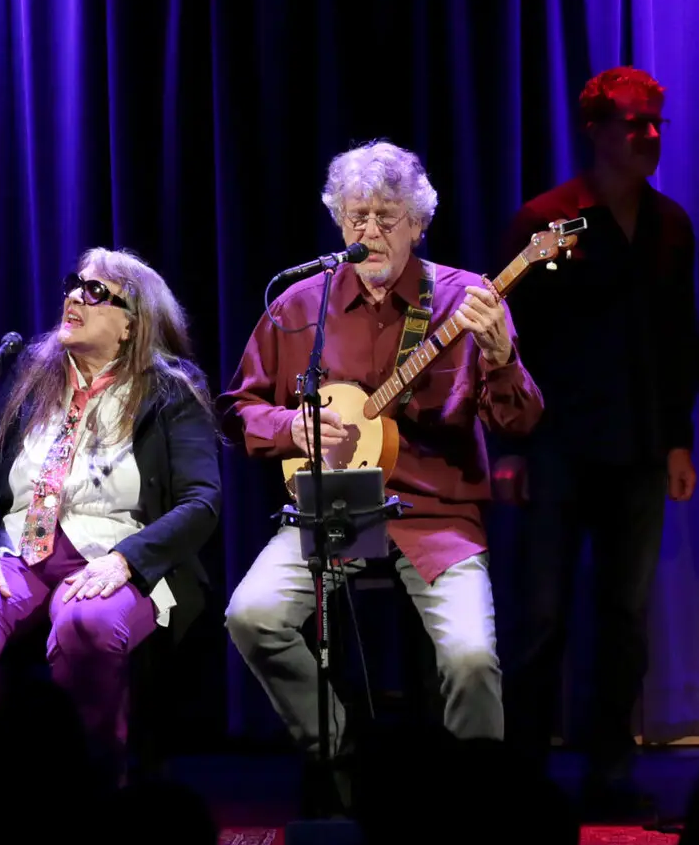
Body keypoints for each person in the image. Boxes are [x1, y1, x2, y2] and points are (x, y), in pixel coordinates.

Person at [225, 141, 544, 809]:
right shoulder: (299, 307)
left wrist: (501, 354)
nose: (369, 231)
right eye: (357, 216)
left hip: (437, 510)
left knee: (471, 657)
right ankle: (342, 756)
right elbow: (239, 408)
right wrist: (290, 428)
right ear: (339, 222)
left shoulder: (465, 299)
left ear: (417, 223)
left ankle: (479, 806)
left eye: (387, 216)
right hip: (334, 503)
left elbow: (520, 422)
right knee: (252, 615)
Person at [0, 248, 221, 780]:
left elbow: (201, 501)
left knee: (88, 625)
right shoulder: (32, 379)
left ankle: (94, 784)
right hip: (19, 550)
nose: (75, 298)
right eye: (74, 284)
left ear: (132, 325)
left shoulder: (170, 391)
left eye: (97, 292)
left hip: (114, 553)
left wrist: (127, 561)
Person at [499, 66, 698, 819]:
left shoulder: (672, 225)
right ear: (595, 129)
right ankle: (523, 773)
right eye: (632, 122)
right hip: (558, 445)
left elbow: (679, 340)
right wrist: (511, 446)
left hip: (639, 447)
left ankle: (610, 771)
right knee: (543, 615)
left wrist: (677, 441)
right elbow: (505, 340)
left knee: (625, 618)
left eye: (655, 123)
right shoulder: (545, 220)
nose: (647, 135)